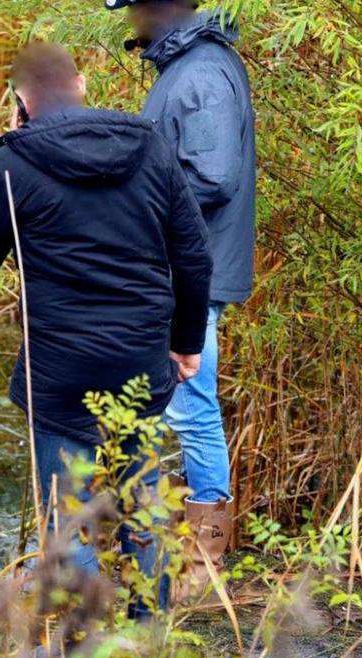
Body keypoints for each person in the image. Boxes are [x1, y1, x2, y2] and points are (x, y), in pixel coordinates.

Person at [0, 42, 212, 617]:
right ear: (84, 84)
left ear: (21, 101)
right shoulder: (150, 147)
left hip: (60, 373)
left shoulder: (9, 166)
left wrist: (8, 158)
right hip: (139, 362)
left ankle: (86, 655)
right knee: (144, 509)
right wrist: (186, 343)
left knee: (67, 521)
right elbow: (193, 256)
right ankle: (149, 642)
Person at [106, 0, 256, 599]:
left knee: (191, 408)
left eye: (134, 8)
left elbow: (213, 178)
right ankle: (167, 549)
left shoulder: (197, 75)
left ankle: (203, 560)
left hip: (191, 271)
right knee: (181, 406)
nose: (131, 20)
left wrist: (136, 203)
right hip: (184, 266)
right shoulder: (188, 66)